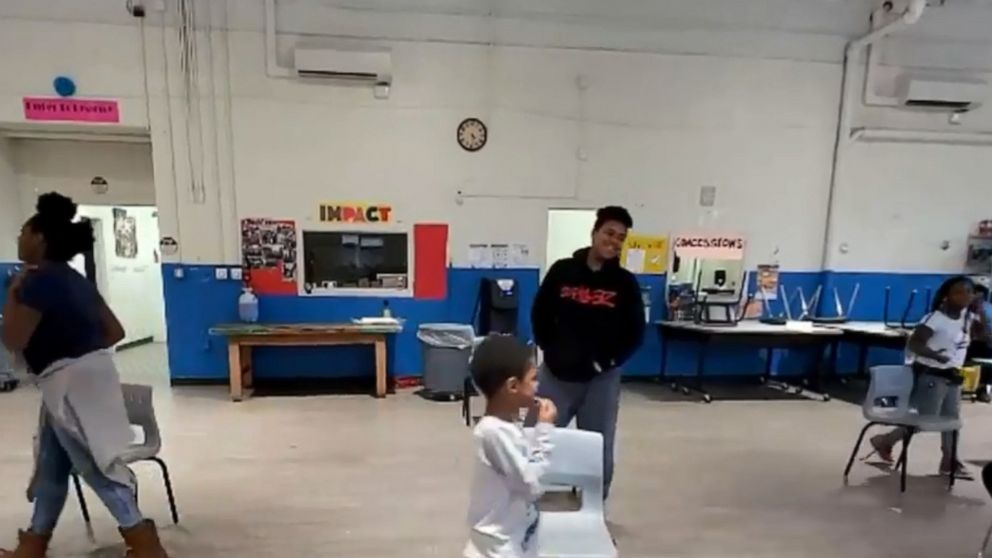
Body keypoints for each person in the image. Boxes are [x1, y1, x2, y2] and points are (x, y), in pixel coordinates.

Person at [0, 193, 169, 558]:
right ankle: (33, 543)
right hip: (92, 377)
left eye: (23, 231)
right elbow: (115, 332)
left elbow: (13, 339)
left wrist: (12, 296)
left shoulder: (34, 281)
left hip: (68, 386)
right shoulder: (75, 279)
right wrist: (79, 347)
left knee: (97, 468)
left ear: (40, 238)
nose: (19, 238)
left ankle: (144, 544)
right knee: (51, 469)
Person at [530, 205, 644, 500]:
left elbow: (634, 333)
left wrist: (604, 363)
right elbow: (540, 313)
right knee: (535, 437)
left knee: (598, 447)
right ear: (595, 233)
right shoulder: (562, 271)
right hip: (556, 375)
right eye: (609, 233)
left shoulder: (625, 284)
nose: (614, 241)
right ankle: (524, 503)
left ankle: (593, 508)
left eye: (621, 237)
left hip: (601, 380)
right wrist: (550, 350)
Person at [869, 276, 988, 478]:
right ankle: (885, 440)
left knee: (953, 420)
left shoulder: (968, 317)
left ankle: (949, 462)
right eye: (959, 292)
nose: (965, 296)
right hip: (932, 375)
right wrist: (936, 356)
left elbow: (984, 336)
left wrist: (980, 313)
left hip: (952, 375)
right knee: (926, 419)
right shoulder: (935, 318)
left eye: (969, 292)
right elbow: (914, 344)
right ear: (947, 296)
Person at [465, 335, 557, 558]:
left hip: (514, 538)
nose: (538, 386)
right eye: (533, 379)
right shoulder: (494, 433)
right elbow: (531, 486)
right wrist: (544, 430)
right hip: (498, 548)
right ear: (513, 386)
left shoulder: (505, 424)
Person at [966, 282, 992, 403]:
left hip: (983, 342)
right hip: (966, 341)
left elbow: (985, 329)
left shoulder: (988, 309)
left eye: (979, 296)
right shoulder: (964, 308)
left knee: (987, 360)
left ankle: (982, 389)